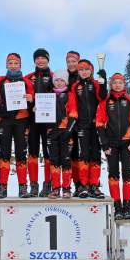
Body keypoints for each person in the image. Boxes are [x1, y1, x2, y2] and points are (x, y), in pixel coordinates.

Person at [0, 53, 34, 198]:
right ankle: (2, 187)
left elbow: (33, 100)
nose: (13, 65)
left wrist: (31, 98)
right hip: (5, 121)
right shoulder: (0, 80)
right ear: (6, 65)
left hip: (22, 120)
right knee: (4, 154)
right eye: (10, 63)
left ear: (20, 65)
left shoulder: (26, 82)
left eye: (16, 63)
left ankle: (23, 187)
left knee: (21, 154)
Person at [96, 73, 130, 219]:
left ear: (124, 84)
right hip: (111, 144)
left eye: (120, 82)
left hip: (127, 143)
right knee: (113, 174)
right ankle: (117, 206)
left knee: (128, 174)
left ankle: (127, 206)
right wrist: (104, 143)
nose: (117, 85)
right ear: (111, 84)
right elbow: (100, 123)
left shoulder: (129, 100)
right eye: (114, 82)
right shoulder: (105, 101)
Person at [68, 59, 108, 198]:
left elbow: (102, 97)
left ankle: (94, 185)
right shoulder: (75, 86)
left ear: (91, 70)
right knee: (83, 154)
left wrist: (104, 82)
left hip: (96, 125)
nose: (84, 72)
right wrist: (73, 122)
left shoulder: (96, 84)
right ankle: (83, 185)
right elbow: (72, 105)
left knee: (96, 154)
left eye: (86, 69)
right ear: (78, 71)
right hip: (82, 125)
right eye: (81, 69)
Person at [25, 48, 54, 197]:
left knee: (49, 153)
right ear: (34, 60)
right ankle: (34, 185)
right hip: (32, 121)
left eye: (43, 58)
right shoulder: (28, 78)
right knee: (33, 152)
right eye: (38, 58)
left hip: (49, 121)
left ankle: (48, 184)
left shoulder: (55, 77)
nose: (40, 60)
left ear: (48, 60)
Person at [46, 70, 77, 198]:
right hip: (52, 132)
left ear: (66, 82)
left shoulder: (70, 95)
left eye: (62, 80)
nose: (59, 83)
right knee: (54, 160)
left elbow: (74, 114)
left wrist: (68, 130)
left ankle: (66, 188)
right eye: (56, 80)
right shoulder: (48, 96)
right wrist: (37, 110)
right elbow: (42, 114)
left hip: (66, 132)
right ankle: (55, 188)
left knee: (65, 159)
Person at [66, 51, 82, 193]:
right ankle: (66, 185)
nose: (71, 64)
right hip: (66, 121)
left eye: (74, 61)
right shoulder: (62, 77)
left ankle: (79, 183)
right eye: (68, 61)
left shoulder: (83, 77)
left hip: (82, 122)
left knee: (79, 154)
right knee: (68, 154)